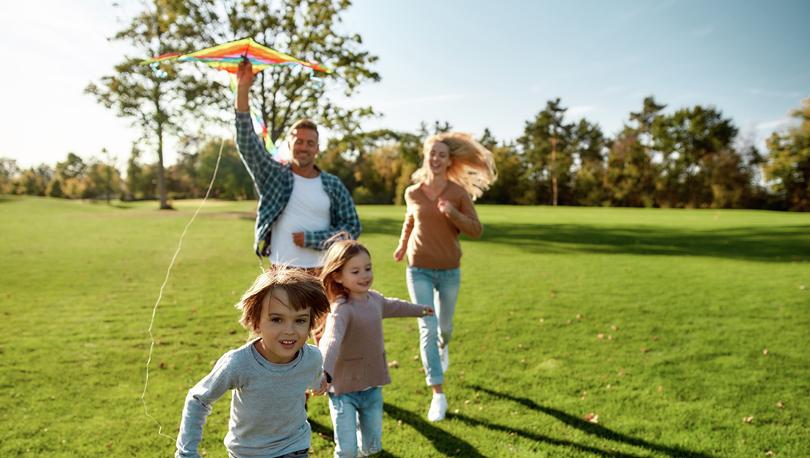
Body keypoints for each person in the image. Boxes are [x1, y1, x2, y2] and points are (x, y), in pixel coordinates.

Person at [393, 132, 497, 422]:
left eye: (442, 154)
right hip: (418, 270)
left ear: (449, 161)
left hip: (449, 271)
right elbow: (410, 220)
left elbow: (476, 229)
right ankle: (438, 393)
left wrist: (453, 214)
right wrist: (402, 245)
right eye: (432, 154)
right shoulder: (412, 192)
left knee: (444, 328)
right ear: (425, 157)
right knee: (427, 326)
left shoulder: (457, 193)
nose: (436, 159)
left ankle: (444, 344)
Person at [175, 266, 331, 458]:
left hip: (294, 448)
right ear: (257, 322)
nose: (289, 330)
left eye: (299, 320)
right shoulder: (238, 364)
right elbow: (198, 399)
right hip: (247, 453)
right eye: (277, 319)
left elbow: (315, 376)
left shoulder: (312, 358)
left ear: (310, 324)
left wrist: (320, 382)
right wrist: (186, 452)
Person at [235, 60, 361, 269]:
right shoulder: (274, 175)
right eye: (299, 141)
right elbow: (246, 141)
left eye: (310, 143)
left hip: (323, 273)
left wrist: (314, 239)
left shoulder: (332, 184)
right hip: (281, 270)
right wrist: (242, 89)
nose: (304, 147)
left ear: (317, 149)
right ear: (289, 144)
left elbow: (352, 227)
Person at [318, 239, 433, 457]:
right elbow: (330, 341)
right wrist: (324, 372)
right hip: (343, 391)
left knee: (372, 446)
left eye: (368, 268)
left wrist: (420, 310)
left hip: (371, 386)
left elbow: (396, 306)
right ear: (338, 276)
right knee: (347, 449)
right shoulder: (341, 310)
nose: (365, 275)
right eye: (355, 271)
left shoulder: (375, 300)